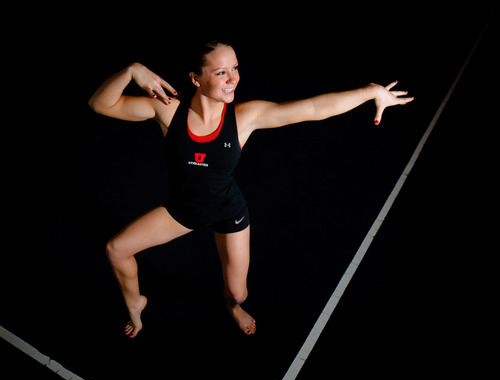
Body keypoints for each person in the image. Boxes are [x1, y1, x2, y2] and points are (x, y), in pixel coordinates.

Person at [88, 40, 413, 338]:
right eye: (220, 72)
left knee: (237, 293)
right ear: (196, 79)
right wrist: (133, 70)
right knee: (117, 249)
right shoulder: (167, 109)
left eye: (235, 68)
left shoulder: (245, 117)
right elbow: (100, 104)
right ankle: (136, 303)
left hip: (229, 211)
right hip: (183, 210)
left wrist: (370, 92)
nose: (233, 78)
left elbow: (314, 109)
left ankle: (233, 308)